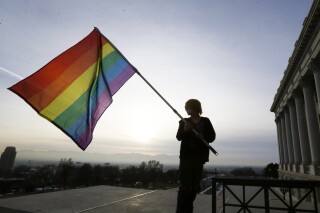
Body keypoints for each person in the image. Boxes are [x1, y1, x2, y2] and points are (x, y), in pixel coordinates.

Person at [176, 99, 216, 213]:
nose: (185, 109)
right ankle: (181, 210)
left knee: (194, 186)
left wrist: (203, 135)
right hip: (186, 158)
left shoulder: (206, 121)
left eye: (187, 107)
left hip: (199, 159)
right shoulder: (183, 121)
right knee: (184, 187)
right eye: (185, 107)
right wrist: (185, 129)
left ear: (195, 108)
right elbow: (179, 137)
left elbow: (212, 137)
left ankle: (187, 210)